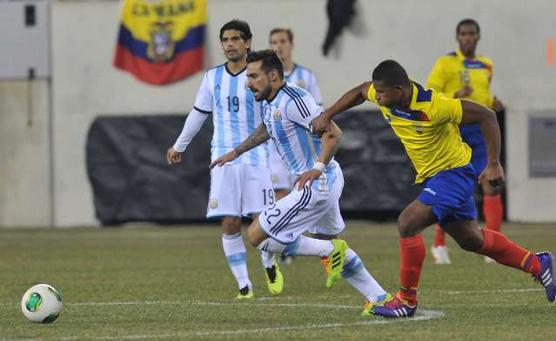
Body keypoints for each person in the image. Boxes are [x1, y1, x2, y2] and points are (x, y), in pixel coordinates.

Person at [310, 59, 555, 318]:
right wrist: (327, 114)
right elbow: (360, 90)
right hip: (435, 178)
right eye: (377, 93)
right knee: (472, 239)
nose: (377, 97)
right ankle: (539, 263)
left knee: (408, 222)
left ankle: (406, 300)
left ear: (400, 90)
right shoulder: (383, 94)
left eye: (382, 93)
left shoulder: (435, 105)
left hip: (454, 174)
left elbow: (487, 115)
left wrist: (493, 163)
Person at [210, 50, 390, 313]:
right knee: (331, 248)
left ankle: (330, 249)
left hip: (317, 183)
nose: (248, 83)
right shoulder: (270, 101)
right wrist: (236, 152)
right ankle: (378, 297)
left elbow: (333, 132)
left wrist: (317, 168)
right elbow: (267, 128)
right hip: (318, 181)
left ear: (273, 75)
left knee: (258, 235)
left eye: (253, 76)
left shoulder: (295, 100)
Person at [166, 20, 283, 299]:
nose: (229, 44)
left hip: (256, 155)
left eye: (234, 39)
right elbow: (198, 113)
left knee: (264, 221)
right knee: (229, 221)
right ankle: (244, 285)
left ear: (247, 43)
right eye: (225, 40)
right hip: (222, 157)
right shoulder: (212, 77)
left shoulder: (259, 76)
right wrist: (179, 145)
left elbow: (277, 111)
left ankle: (269, 262)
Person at [426, 18, 505, 265]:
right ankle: (439, 244)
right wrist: (455, 96)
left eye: (472, 34)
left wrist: (493, 102)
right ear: (457, 37)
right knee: (454, 189)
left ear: (478, 37)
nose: (468, 38)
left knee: (492, 182)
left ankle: (494, 245)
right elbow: (430, 94)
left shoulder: (486, 64)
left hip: (480, 132)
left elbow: (484, 94)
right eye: (463, 34)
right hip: (455, 131)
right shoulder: (446, 63)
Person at [268, 27, 323, 201]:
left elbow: (318, 111)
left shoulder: (305, 76)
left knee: (303, 193)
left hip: (302, 147)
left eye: (283, 41)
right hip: (275, 148)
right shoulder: (265, 78)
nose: (279, 46)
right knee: (280, 194)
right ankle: (287, 229)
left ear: (291, 45)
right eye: (274, 42)